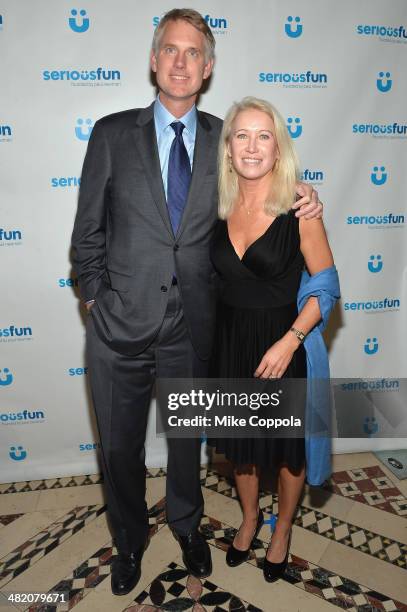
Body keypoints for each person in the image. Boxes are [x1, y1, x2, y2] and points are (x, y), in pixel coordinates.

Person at [71, 9, 323, 597]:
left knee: (190, 446)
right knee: (119, 448)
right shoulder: (111, 133)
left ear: (208, 68)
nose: (181, 62)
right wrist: (98, 301)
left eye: (194, 53)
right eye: (171, 50)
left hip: (194, 330)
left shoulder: (225, 141)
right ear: (154, 60)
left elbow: (268, 182)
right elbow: (87, 236)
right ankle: (129, 540)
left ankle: (187, 527)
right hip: (118, 329)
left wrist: (306, 193)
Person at [209, 97, 339, 582]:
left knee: (287, 449)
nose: (252, 145)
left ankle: (282, 528)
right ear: (227, 150)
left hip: (283, 346)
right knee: (240, 447)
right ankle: (248, 519)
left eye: (264, 136)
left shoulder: (300, 209)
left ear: (278, 150)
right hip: (230, 346)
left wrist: (291, 341)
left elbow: (325, 287)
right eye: (241, 135)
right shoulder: (215, 208)